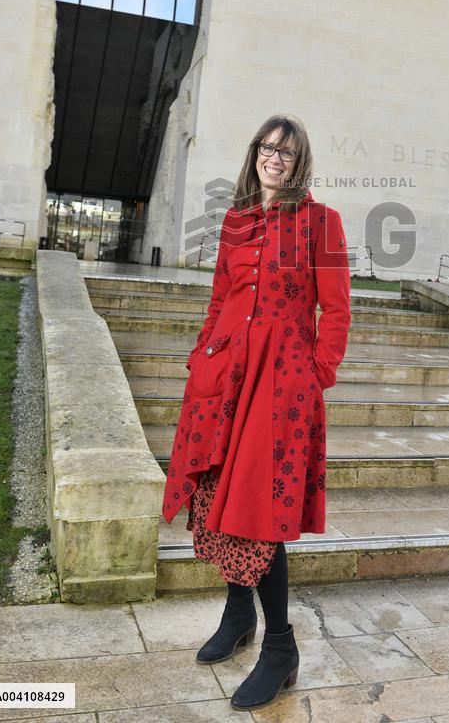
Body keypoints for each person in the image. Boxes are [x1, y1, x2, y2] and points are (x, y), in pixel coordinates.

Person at [161, 112, 351, 711]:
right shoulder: (237, 220)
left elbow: (337, 311)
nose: (274, 158)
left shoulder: (323, 223)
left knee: (258, 509)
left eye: (286, 152)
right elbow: (221, 296)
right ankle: (238, 612)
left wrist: (314, 373)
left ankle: (280, 648)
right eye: (266, 148)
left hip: (280, 386)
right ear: (255, 155)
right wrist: (201, 358)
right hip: (225, 376)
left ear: (299, 163)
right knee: (216, 495)